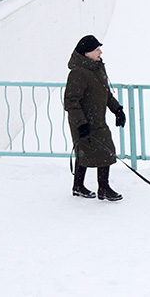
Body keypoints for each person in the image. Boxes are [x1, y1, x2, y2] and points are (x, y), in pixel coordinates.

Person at [64, 34, 126, 201]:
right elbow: (70, 101)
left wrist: (117, 110)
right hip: (85, 121)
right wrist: (81, 123)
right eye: (96, 49)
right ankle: (103, 188)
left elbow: (105, 93)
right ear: (86, 54)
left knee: (85, 152)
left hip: (97, 118)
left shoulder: (96, 68)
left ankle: (78, 186)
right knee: (103, 151)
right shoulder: (78, 73)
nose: (100, 52)